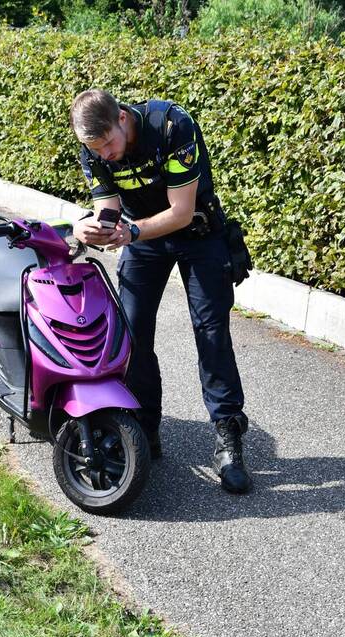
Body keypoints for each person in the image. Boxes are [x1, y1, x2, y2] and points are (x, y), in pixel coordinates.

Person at [68, 88, 252, 494]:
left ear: (121, 117)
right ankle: (144, 430)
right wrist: (88, 227)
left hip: (198, 233)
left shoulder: (171, 125)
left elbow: (181, 212)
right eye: (96, 150)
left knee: (211, 333)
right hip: (142, 238)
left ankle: (228, 438)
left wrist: (131, 232)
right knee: (131, 334)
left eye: (109, 144)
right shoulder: (93, 148)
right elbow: (108, 208)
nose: (105, 155)